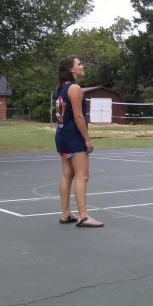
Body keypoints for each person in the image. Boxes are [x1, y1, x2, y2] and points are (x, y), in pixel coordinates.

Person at [54, 55, 103, 227]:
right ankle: (84, 216)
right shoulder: (74, 88)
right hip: (73, 137)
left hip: (61, 135)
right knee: (83, 176)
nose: (82, 66)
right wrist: (87, 139)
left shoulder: (60, 89)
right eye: (79, 64)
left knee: (67, 175)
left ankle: (66, 214)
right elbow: (78, 116)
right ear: (71, 70)